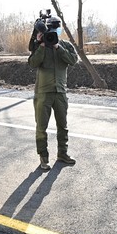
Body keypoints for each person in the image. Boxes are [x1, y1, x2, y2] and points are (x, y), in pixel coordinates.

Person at [28, 14, 79, 171]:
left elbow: (73, 60)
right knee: (41, 127)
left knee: (62, 126)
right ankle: (44, 158)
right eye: (53, 28)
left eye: (57, 28)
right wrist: (41, 44)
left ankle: (62, 153)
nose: (55, 31)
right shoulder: (40, 45)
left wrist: (57, 46)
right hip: (43, 93)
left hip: (60, 92)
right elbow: (32, 63)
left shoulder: (66, 45)